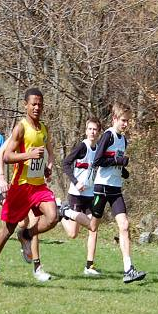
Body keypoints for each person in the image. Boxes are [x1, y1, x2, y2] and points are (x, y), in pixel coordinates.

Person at [0, 88, 59, 283]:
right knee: (7, 229)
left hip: (39, 186)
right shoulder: (21, 127)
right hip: (21, 186)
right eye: (33, 104)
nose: (37, 107)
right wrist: (28, 155)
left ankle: (25, 234)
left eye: (40, 104)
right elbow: (7, 155)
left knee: (53, 217)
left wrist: (47, 166)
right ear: (25, 105)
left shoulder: (43, 128)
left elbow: (49, 154)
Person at [91, 103, 146, 283]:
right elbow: (97, 161)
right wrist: (117, 160)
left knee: (124, 225)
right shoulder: (108, 135)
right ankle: (88, 263)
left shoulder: (124, 140)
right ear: (114, 119)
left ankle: (128, 269)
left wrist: (123, 170)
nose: (126, 124)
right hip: (101, 187)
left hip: (115, 188)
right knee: (92, 226)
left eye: (128, 121)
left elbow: (117, 163)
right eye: (123, 120)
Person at [61, 117, 102, 276]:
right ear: (86, 131)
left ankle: (89, 266)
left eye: (95, 130)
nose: (92, 132)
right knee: (73, 234)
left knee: (94, 227)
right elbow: (65, 164)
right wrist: (76, 182)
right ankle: (62, 212)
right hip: (76, 195)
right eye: (90, 129)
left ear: (99, 132)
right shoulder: (81, 147)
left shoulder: (98, 149)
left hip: (90, 195)